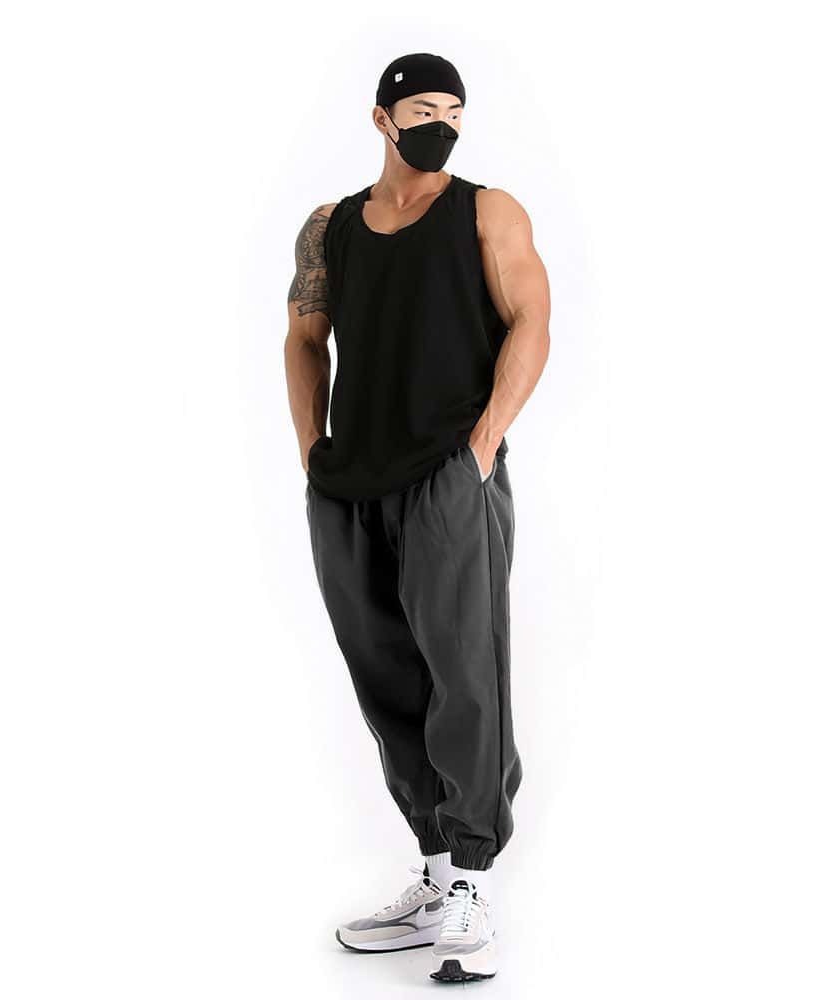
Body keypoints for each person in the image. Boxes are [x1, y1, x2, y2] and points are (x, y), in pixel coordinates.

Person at [284, 52, 551, 983]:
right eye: (423, 109)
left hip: (445, 475)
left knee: (463, 675)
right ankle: (435, 876)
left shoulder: (487, 211)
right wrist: (312, 453)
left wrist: (481, 446)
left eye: (453, 110)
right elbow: (305, 339)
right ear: (383, 118)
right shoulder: (330, 228)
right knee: (385, 677)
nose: (442, 123)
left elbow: (532, 320)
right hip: (348, 484)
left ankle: (474, 881)